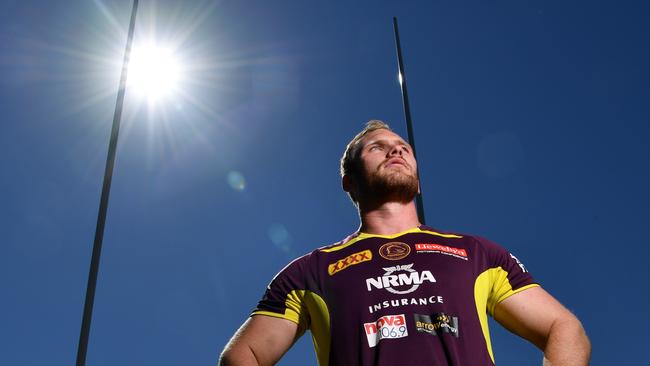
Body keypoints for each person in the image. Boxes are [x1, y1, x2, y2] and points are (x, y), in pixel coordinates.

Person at [219, 120, 590, 365]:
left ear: (418, 179)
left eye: (403, 147)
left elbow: (564, 328)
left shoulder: (477, 253)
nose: (396, 150)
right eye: (377, 148)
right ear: (349, 181)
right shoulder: (309, 272)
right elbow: (242, 356)